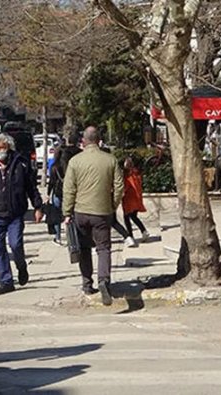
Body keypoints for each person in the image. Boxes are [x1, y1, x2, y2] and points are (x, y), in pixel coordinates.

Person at [0, 133, 43, 296]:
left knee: (15, 244)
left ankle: (21, 266)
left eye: (1, 147)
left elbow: (31, 188)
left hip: (15, 213)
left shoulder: (20, 163)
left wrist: (38, 207)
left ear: (8, 147)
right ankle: (6, 281)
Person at [62, 126, 124, 306]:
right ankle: (103, 280)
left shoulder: (75, 161)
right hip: (102, 212)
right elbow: (119, 186)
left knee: (84, 248)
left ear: (84, 141)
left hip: (80, 211)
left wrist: (67, 212)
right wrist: (113, 204)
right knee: (103, 248)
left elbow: (69, 189)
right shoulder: (110, 160)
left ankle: (87, 283)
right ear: (99, 140)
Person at [122, 157, 149, 247]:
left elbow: (125, 187)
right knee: (134, 217)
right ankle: (143, 231)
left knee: (126, 217)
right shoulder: (136, 174)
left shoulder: (127, 176)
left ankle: (130, 236)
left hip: (128, 199)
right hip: (137, 198)